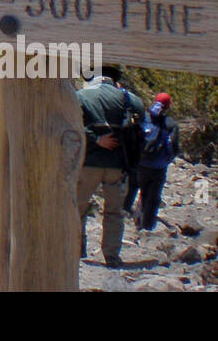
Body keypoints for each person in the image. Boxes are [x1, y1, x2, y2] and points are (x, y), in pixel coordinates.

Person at [76, 65, 145, 267]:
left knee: (78, 207)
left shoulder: (81, 96)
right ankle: (112, 255)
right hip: (117, 165)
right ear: (114, 80)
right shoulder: (131, 100)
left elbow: (71, 127)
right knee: (114, 211)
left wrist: (95, 139)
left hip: (88, 163)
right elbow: (141, 131)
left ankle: (76, 248)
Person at [134, 92, 179, 232]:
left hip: (141, 163)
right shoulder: (171, 123)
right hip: (159, 166)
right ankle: (148, 225)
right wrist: (168, 159)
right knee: (153, 196)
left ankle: (137, 220)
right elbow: (174, 146)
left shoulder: (145, 119)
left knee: (142, 190)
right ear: (168, 106)